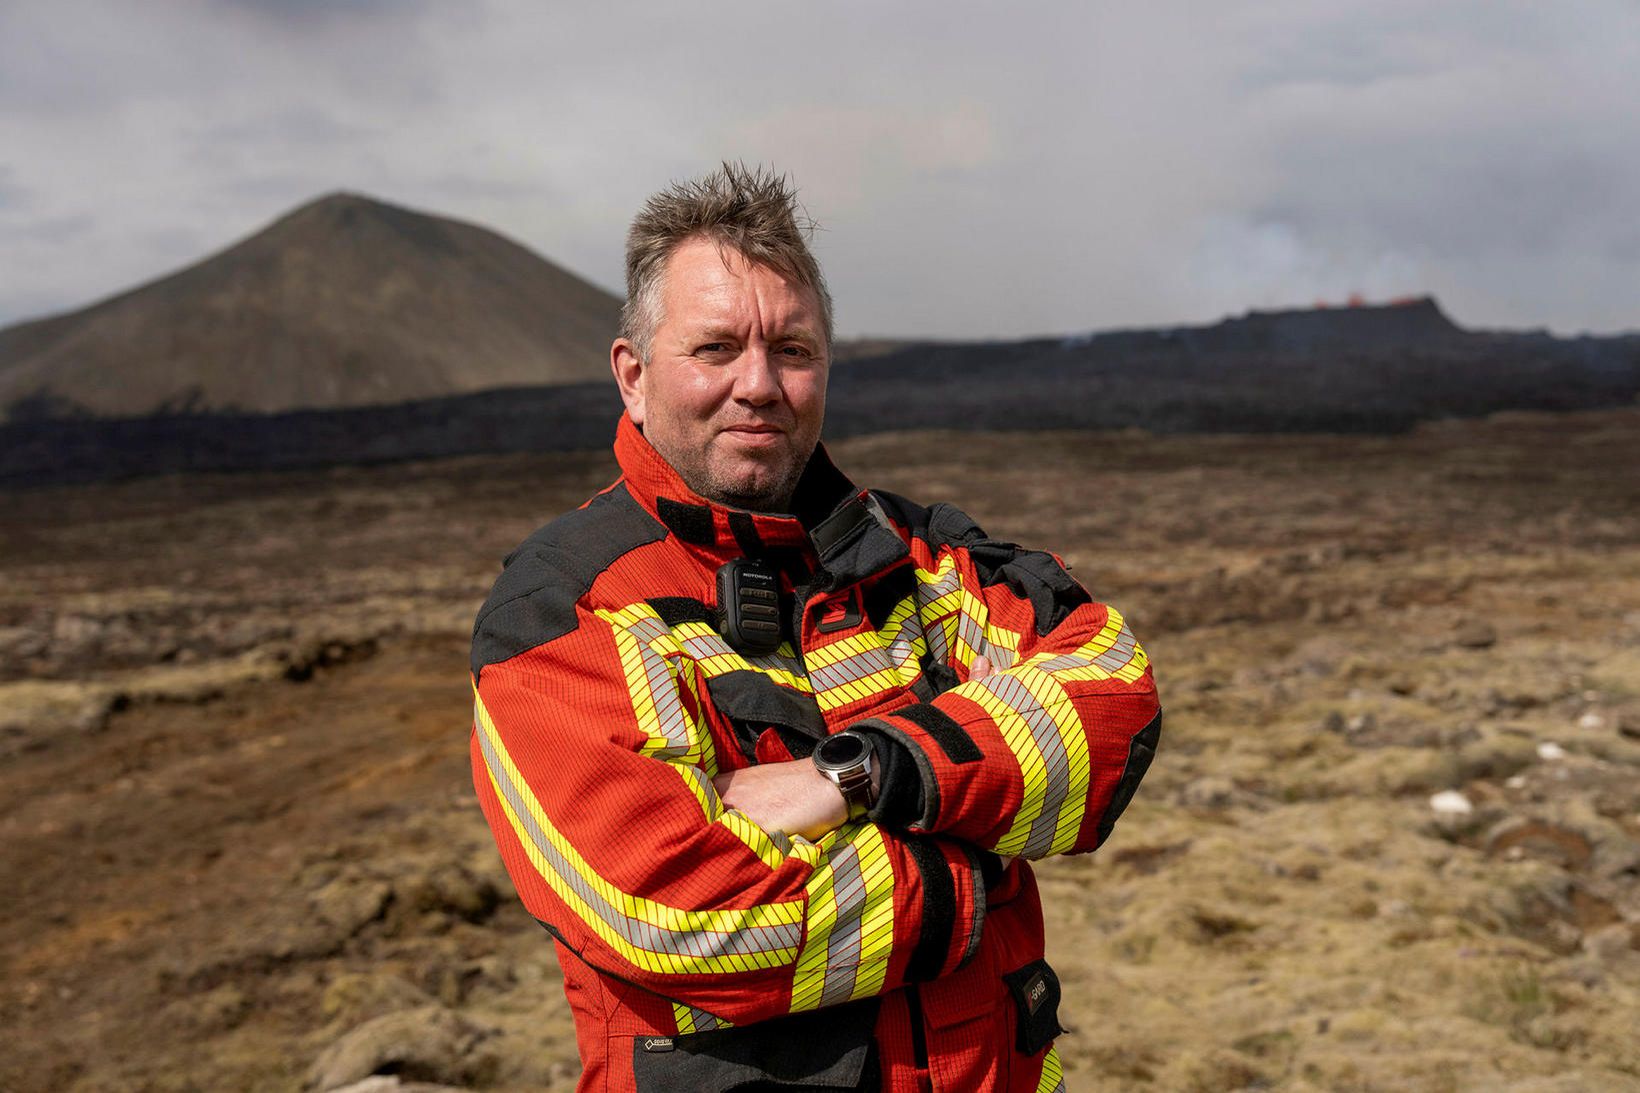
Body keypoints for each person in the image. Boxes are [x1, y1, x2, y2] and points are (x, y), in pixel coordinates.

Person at [470, 163, 1161, 1092]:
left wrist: (867, 771)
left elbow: (1112, 700)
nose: (759, 385)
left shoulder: (923, 558)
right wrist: (969, 874)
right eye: (715, 349)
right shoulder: (564, 610)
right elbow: (684, 917)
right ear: (632, 377)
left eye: (792, 350)